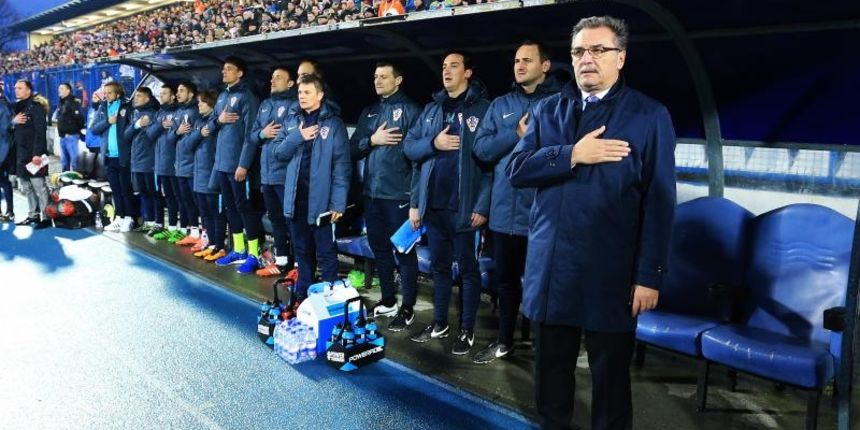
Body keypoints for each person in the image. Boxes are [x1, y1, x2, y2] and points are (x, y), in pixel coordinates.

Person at [506, 16, 676, 430]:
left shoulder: (649, 115)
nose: (587, 59)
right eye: (579, 51)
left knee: (611, 381)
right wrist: (571, 155)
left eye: (598, 50)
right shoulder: (549, 110)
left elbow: (660, 202)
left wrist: (649, 275)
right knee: (550, 377)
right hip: (553, 269)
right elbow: (517, 170)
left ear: (621, 57)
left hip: (611, 270)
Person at [471, 41, 562, 364]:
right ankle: (504, 341)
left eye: (527, 60)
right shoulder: (500, 105)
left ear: (545, 65)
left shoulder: (559, 104)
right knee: (505, 284)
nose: (520, 65)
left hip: (543, 215)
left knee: (542, 286)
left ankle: (545, 350)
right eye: (516, 61)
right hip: (504, 215)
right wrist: (515, 133)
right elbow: (481, 150)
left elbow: (565, 155)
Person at [403, 51, 491, 355]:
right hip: (435, 206)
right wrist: (433, 144)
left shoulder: (483, 109)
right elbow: (411, 150)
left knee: (468, 270)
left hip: (465, 208)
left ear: (468, 72)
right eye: (443, 66)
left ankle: (466, 330)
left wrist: (483, 205)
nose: (447, 71)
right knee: (440, 267)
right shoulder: (431, 110)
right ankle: (439, 321)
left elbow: (492, 165)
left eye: (454, 66)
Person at [349, 61, 421, 330]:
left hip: (399, 196)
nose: (378, 81)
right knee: (379, 248)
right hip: (373, 194)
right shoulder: (370, 112)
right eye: (375, 76)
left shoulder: (413, 111)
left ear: (398, 80)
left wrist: (415, 199)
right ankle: (389, 299)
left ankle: (408, 307)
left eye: (384, 76)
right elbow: (352, 148)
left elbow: (419, 160)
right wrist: (371, 141)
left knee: (404, 250)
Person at [273, 74, 350, 301]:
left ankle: (329, 297)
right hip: (296, 199)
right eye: (299, 93)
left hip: (322, 203)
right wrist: (298, 136)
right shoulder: (292, 120)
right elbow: (278, 153)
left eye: (307, 92)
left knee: (326, 252)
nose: (302, 97)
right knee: (302, 251)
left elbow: (342, 167)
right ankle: (302, 296)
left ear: (320, 95)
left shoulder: (333, 124)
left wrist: (338, 202)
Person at [204, 56, 260, 268]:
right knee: (230, 208)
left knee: (244, 208)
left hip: (238, 166)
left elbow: (250, 134)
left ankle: (253, 254)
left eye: (229, 69)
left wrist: (244, 164)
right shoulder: (221, 97)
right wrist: (219, 120)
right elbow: (211, 125)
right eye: (223, 69)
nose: (224, 72)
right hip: (222, 165)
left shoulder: (247, 97)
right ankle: (238, 250)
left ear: (240, 73)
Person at [245, 65, 297, 277]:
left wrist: (273, 136)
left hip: (286, 174)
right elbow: (252, 135)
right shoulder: (265, 104)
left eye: (278, 78)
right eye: (272, 78)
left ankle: (296, 264)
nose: (272, 81)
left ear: (291, 83)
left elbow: (292, 136)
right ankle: (282, 260)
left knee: (290, 220)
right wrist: (262, 134)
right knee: (275, 218)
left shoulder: (294, 105)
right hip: (266, 175)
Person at [189, 90, 228, 262]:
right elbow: (187, 144)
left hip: (213, 173)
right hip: (199, 174)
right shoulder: (198, 121)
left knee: (216, 213)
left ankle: (219, 245)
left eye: (202, 102)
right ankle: (211, 243)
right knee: (204, 211)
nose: (198, 105)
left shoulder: (218, 121)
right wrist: (200, 133)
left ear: (211, 103)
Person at [92, 82, 135, 232]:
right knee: (115, 189)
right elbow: (94, 129)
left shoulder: (127, 107)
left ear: (118, 93)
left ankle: (129, 218)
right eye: (105, 92)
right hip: (109, 155)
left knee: (125, 188)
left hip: (123, 155)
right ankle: (120, 217)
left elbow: (131, 130)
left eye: (110, 92)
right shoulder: (103, 108)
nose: (106, 95)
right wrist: (107, 122)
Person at [11, 80, 52, 229]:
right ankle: (33, 215)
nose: (16, 91)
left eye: (20, 88)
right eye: (15, 88)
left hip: (34, 155)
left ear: (29, 90)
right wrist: (13, 122)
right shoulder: (16, 108)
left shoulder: (36, 107)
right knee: (27, 187)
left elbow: (40, 132)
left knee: (39, 186)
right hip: (20, 154)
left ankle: (46, 216)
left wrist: (37, 153)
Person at [147, 84, 184, 242]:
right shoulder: (160, 113)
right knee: (168, 197)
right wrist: (161, 126)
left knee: (180, 197)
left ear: (172, 96)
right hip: (161, 164)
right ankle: (171, 228)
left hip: (175, 164)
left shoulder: (178, 112)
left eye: (164, 94)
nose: (160, 96)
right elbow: (149, 133)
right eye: (160, 94)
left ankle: (184, 229)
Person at [123, 87, 161, 232]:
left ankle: (158, 223)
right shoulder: (137, 114)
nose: (135, 98)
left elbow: (151, 136)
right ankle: (149, 221)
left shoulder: (152, 114)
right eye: (135, 96)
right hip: (137, 161)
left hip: (150, 162)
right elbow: (126, 135)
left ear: (147, 98)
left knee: (153, 193)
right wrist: (138, 125)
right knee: (143, 192)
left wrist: (141, 126)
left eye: (139, 96)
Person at [172, 81, 203, 249]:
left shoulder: (195, 112)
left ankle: (204, 235)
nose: (178, 93)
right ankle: (194, 233)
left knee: (197, 201)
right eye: (177, 90)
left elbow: (195, 140)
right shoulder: (178, 112)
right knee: (186, 201)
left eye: (182, 90)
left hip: (192, 166)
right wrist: (177, 132)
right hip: (180, 166)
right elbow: (171, 139)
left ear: (191, 94)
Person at [56, 83, 85, 173]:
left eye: (62, 88)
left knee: (74, 162)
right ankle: (66, 182)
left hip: (71, 136)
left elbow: (80, 119)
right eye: (59, 88)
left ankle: (78, 182)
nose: (59, 90)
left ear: (68, 90)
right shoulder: (62, 102)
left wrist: (75, 130)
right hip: (63, 136)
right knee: (64, 162)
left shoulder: (73, 103)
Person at [0, 87, 13, 222]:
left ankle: (10, 211)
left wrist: (2, 157)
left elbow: (5, 132)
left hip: (2, 152)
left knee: (4, 182)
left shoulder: (3, 107)